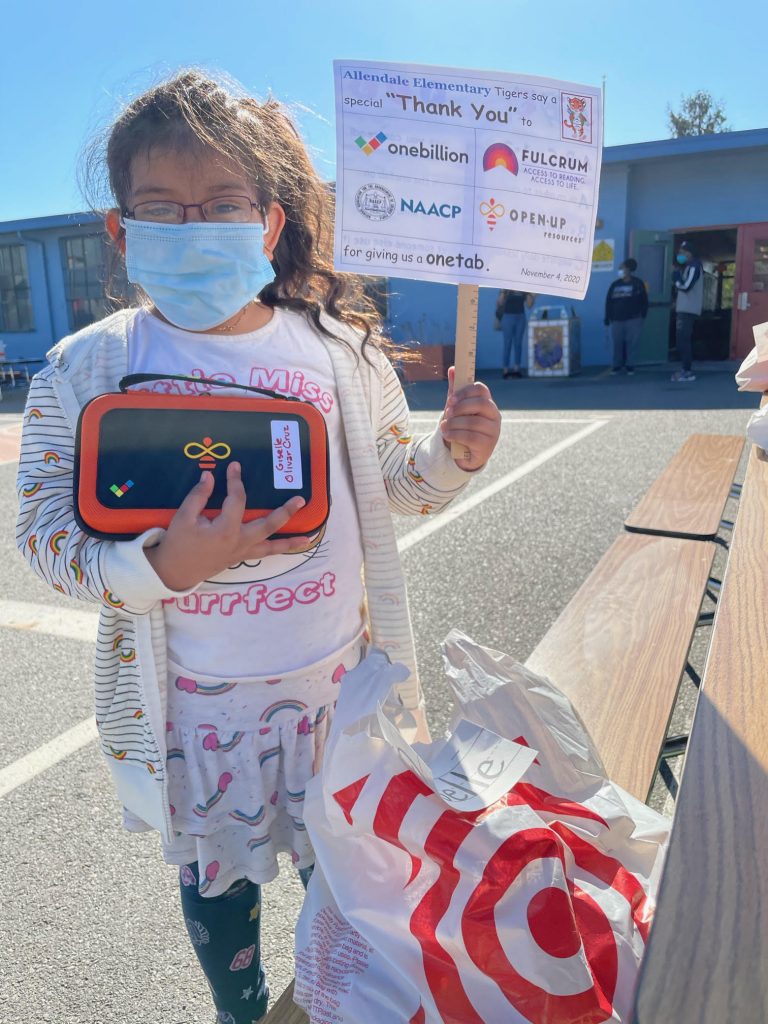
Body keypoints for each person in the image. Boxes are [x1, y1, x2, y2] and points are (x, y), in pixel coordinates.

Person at [15, 71, 501, 1024]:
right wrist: (160, 569)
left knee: (352, 879)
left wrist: (452, 457)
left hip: (335, 696)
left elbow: (396, 482)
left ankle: (342, 1000)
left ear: (271, 224)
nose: (194, 226)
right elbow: (42, 534)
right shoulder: (85, 367)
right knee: (217, 888)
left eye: (224, 204)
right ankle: (240, 1010)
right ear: (121, 231)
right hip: (195, 715)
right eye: (163, 208)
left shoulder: (339, 352)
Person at [603, 257, 648, 375]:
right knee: (617, 343)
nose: (620, 270)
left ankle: (630, 365)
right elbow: (609, 301)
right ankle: (617, 365)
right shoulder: (615, 284)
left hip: (634, 319)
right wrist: (607, 317)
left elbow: (644, 300)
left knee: (632, 343)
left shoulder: (638, 283)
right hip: (617, 319)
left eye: (621, 268)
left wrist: (643, 315)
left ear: (628, 269)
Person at [671, 240, 703, 382]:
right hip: (684, 309)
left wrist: (676, 278)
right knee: (681, 341)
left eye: (682, 252)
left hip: (688, 310)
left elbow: (686, 287)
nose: (680, 255)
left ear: (689, 253)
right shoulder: (688, 267)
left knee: (683, 341)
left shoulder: (694, 267)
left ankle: (687, 371)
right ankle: (685, 369)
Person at [495, 289, 533, 377]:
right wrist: (503, 292)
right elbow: (499, 303)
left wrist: (530, 294)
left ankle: (517, 369)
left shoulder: (523, 289)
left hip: (520, 317)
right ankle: (505, 370)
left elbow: (529, 305)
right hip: (508, 317)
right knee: (507, 343)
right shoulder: (506, 289)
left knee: (518, 344)